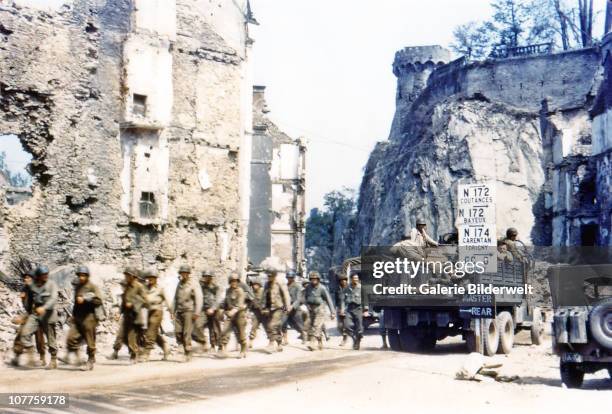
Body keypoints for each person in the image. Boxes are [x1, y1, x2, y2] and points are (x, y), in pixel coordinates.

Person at [11, 266, 58, 369]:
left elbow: (53, 299)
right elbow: (28, 306)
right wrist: (24, 299)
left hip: (46, 315)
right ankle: (24, 353)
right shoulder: (28, 289)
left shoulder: (50, 285)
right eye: (25, 278)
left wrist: (44, 308)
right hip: (33, 315)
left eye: (28, 278)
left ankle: (49, 358)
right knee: (23, 334)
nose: (26, 280)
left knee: (45, 338)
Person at [62, 266, 103, 370]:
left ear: (87, 276)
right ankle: (78, 358)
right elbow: (76, 303)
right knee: (71, 338)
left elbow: (99, 301)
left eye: (83, 275)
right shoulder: (78, 287)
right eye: (80, 275)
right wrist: (73, 315)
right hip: (78, 317)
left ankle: (90, 360)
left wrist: (85, 299)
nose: (81, 277)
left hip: (89, 317)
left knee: (90, 341)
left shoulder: (92, 287)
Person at [117, 267, 148, 364]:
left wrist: (133, 303)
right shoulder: (127, 286)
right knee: (124, 337)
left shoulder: (139, 286)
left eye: (127, 275)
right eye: (125, 275)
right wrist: (119, 312)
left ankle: (134, 355)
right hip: (127, 315)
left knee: (131, 336)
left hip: (135, 315)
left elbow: (145, 300)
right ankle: (137, 351)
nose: (126, 277)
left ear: (133, 276)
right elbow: (124, 301)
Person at [173, 265, 202, 362]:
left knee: (186, 333)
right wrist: (173, 310)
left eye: (185, 273)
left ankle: (187, 353)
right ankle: (182, 347)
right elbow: (175, 298)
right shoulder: (179, 284)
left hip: (189, 311)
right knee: (177, 331)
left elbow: (199, 298)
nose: (183, 275)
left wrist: (197, 312)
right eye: (182, 273)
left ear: (188, 274)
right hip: (179, 311)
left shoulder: (193, 284)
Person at [142, 269, 172, 361]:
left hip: (157, 312)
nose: (149, 280)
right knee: (153, 332)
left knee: (150, 332)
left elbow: (168, 300)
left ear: (156, 279)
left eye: (152, 278)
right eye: (148, 278)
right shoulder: (145, 288)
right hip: (148, 312)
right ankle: (166, 348)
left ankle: (146, 353)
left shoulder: (160, 289)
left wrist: (171, 312)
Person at [303, 271, 335, 351]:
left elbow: (329, 300)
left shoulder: (322, 288)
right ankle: (320, 341)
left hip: (320, 309)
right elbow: (305, 298)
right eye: (312, 279)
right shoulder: (308, 288)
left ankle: (312, 342)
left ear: (318, 279)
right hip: (311, 309)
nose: (313, 280)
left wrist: (332, 312)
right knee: (315, 326)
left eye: (315, 279)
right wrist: (307, 306)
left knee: (316, 325)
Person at [218, 273, 248, 359]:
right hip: (230, 315)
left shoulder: (240, 291)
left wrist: (233, 311)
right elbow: (225, 302)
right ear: (229, 282)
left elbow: (239, 304)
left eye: (235, 281)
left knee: (241, 334)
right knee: (225, 331)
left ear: (238, 282)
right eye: (232, 281)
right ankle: (223, 349)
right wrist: (221, 309)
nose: (233, 283)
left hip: (239, 315)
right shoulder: (228, 291)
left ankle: (243, 350)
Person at [262, 268, 291, 353]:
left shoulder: (280, 283)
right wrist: (263, 307)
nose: (269, 277)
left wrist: (287, 308)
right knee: (275, 326)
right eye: (268, 276)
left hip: (279, 308)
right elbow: (264, 296)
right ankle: (279, 343)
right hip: (270, 308)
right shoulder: (267, 284)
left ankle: (271, 343)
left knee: (272, 325)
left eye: (271, 276)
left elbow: (286, 295)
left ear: (274, 276)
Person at [193, 269, 222, 353]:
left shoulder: (216, 287)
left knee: (215, 329)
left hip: (214, 310)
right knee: (197, 325)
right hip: (203, 309)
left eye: (208, 277)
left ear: (211, 277)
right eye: (205, 277)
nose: (206, 278)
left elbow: (218, 299)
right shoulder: (201, 286)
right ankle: (203, 342)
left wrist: (213, 308)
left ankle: (219, 346)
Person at [281, 271, 305, 345]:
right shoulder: (285, 286)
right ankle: (285, 339)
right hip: (285, 307)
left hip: (295, 307)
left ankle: (304, 335)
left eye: (291, 277)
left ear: (293, 278)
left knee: (298, 324)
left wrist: (292, 306)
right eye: (288, 277)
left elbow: (299, 299)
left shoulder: (298, 286)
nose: (289, 279)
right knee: (283, 323)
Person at [344, 271, 364, 350]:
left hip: (358, 309)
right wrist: (342, 308)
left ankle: (358, 340)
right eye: (354, 278)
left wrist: (365, 309)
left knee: (359, 329)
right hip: (349, 308)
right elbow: (343, 298)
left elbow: (365, 299)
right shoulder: (347, 288)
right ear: (351, 279)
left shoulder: (361, 287)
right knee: (347, 326)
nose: (355, 280)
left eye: (357, 278)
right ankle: (354, 338)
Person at [248, 276, 265, 348]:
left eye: (256, 284)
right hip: (256, 312)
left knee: (269, 327)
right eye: (253, 285)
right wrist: (249, 311)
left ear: (259, 285)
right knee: (253, 327)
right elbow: (250, 303)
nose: (254, 286)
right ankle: (251, 341)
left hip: (264, 312)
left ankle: (276, 342)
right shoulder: (251, 293)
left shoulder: (263, 292)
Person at [335, 273, 349, 346]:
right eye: (342, 280)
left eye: (345, 280)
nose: (343, 282)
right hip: (340, 309)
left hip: (348, 309)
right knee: (339, 326)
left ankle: (345, 338)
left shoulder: (349, 289)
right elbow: (336, 301)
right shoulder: (337, 290)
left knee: (347, 325)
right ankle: (345, 336)